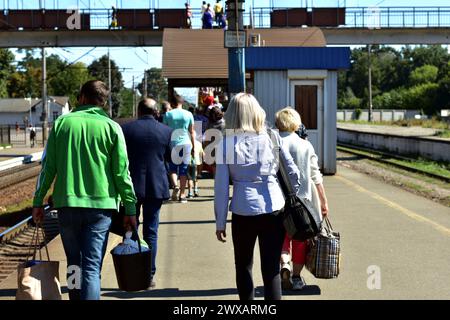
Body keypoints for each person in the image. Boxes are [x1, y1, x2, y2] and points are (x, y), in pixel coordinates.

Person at [32, 80, 137, 300]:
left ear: (81, 97)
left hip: (67, 205)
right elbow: (122, 173)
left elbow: (48, 167)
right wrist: (130, 208)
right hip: (101, 207)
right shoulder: (111, 127)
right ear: (104, 102)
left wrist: (38, 202)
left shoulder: (62, 123)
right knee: (91, 267)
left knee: (74, 263)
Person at [214, 93, 301, 300]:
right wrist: (290, 195)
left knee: (243, 266)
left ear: (232, 114)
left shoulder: (225, 144)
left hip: (242, 210)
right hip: (273, 207)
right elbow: (293, 173)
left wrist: (220, 222)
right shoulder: (272, 137)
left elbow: (221, 189)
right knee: (271, 268)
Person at [274, 107, 329, 291]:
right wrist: (323, 201)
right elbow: (316, 176)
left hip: (278, 200)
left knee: (282, 238)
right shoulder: (305, 145)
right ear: (296, 123)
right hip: (303, 202)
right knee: (300, 240)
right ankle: (296, 278)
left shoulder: (273, 143)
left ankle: (285, 265)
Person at [122, 98, 173, 288]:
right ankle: (148, 275)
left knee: (130, 228)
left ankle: (131, 271)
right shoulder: (166, 131)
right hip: (155, 187)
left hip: (130, 187)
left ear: (138, 110)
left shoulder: (126, 130)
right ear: (156, 112)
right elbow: (169, 158)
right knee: (151, 231)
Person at [163, 94, 196, 203]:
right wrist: (194, 147)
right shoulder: (189, 114)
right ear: (182, 103)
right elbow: (192, 132)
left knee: (172, 169)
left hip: (172, 144)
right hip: (186, 143)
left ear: (172, 103)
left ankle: (175, 185)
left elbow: (164, 131)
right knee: (183, 170)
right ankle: (182, 195)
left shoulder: (168, 115)